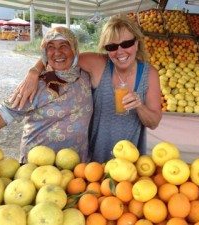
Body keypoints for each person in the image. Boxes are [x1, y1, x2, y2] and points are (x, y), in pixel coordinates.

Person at [10, 14, 162, 163]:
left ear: (137, 43)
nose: (120, 51)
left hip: (130, 160)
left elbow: (154, 123)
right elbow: (61, 57)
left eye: (127, 44)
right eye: (112, 46)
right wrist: (34, 71)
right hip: (93, 162)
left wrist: (139, 106)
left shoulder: (149, 74)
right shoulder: (97, 64)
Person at [0, 27, 93, 163]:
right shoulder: (37, 84)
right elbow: (6, 112)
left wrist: (35, 68)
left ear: (74, 49)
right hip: (37, 167)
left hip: (76, 164)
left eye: (64, 45)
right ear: (44, 52)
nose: (57, 52)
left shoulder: (86, 76)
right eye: (51, 47)